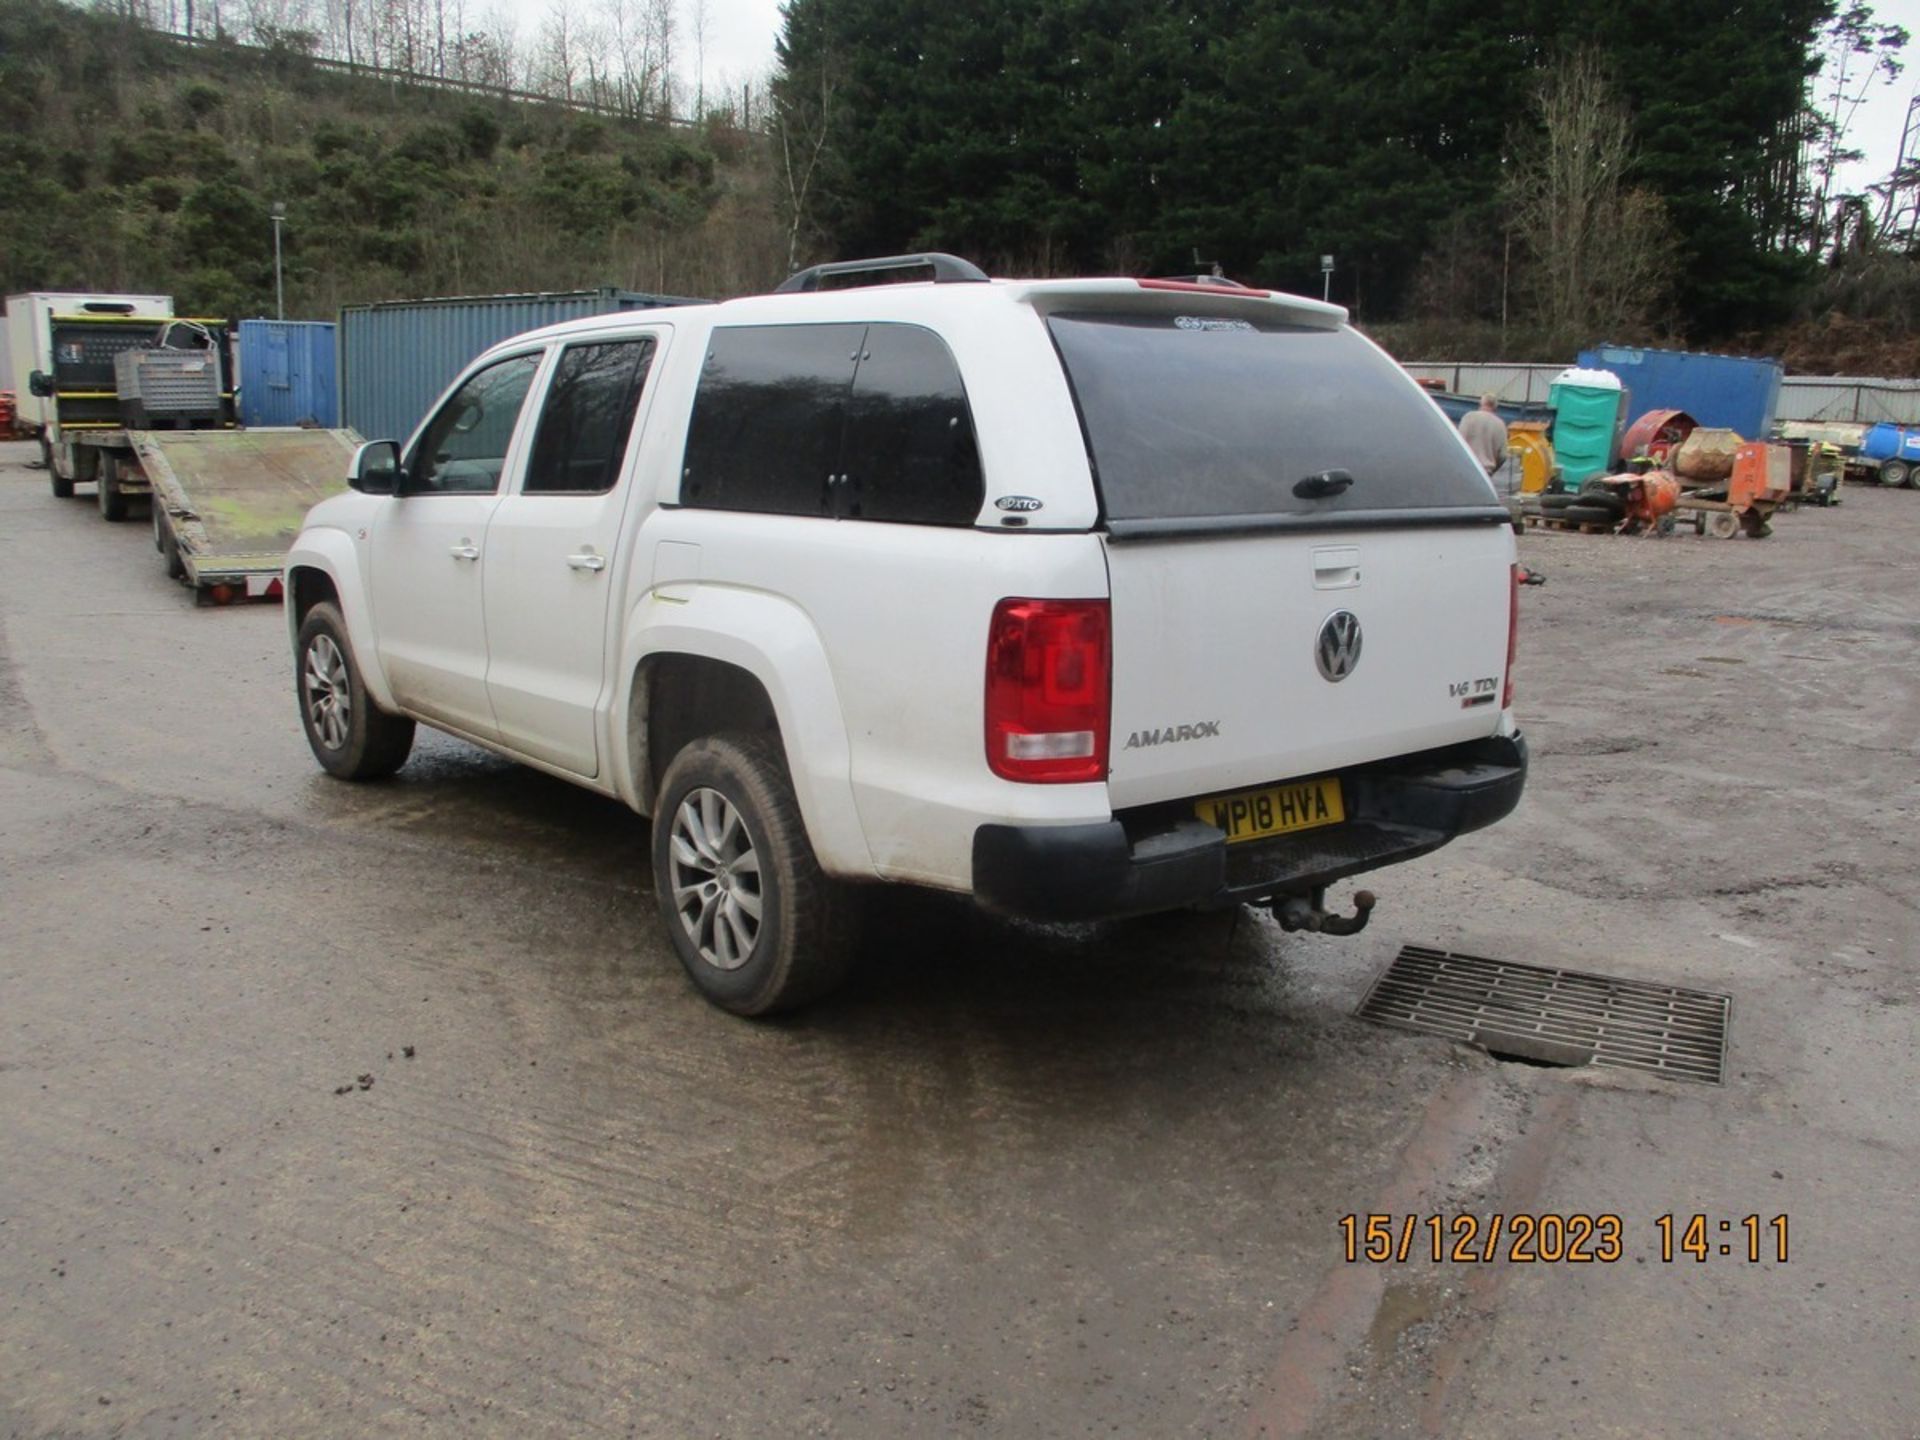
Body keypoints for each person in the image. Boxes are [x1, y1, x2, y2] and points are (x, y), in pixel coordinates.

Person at [1458, 393, 1509, 479]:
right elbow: (1503, 456)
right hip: (1485, 473)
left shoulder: (1468, 417)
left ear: (1481, 403)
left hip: (1465, 470)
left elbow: (1458, 443)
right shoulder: (1500, 425)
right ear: (1495, 407)